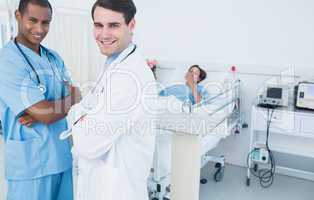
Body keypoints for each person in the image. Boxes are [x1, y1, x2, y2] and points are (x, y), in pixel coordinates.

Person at [67, 0, 157, 199]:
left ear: (131, 25)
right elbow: (85, 108)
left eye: (113, 25)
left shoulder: (129, 77)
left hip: (117, 189)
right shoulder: (113, 63)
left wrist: (79, 116)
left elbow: (87, 143)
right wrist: (82, 116)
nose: (104, 34)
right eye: (98, 25)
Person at [0, 0, 81, 199]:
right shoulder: (8, 62)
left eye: (46, 22)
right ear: (18, 16)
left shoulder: (53, 58)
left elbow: (77, 94)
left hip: (61, 158)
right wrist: (61, 105)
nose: (39, 29)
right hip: (30, 166)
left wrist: (46, 110)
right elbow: (67, 101)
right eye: (32, 20)